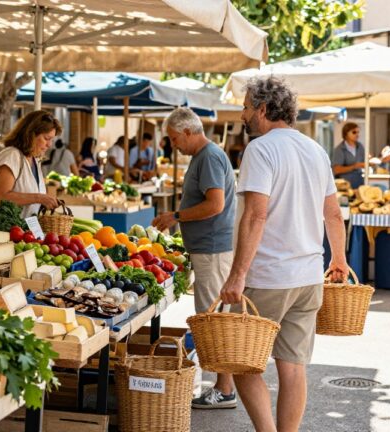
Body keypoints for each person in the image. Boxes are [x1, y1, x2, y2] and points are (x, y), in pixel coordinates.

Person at [219, 77, 349, 432]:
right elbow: (333, 214)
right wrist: (338, 259)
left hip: (268, 277)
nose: (243, 114)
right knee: (292, 367)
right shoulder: (316, 150)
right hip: (308, 277)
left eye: (246, 107)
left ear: (263, 109)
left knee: (241, 362)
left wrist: (237, 276)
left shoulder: (260, 149)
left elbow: (256, 216)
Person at [151, 107, 237, 410]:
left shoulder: (209, 157)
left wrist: (175, 216)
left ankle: (225, 389)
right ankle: (223, 385)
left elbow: (215, 205)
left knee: (213, 321)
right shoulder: (205, 156)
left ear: (188, 131)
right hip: (208, 249)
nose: (173, 145)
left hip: (212, 250)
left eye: (174, 138)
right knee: (213, 319)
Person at [0, 110, 61, 218]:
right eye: (46, 138)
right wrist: (39, 198)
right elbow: (1, 197)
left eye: (52, 140)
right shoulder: (11, 155)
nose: (49, 145)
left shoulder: (35, 160)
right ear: (31, 135)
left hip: (22, 227)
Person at [331, 122, 366, 189]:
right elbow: (336, 169)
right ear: (346, 133)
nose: (357, 134)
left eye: (358, 132)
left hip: (359, 183)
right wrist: (354, 166)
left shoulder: (360, 147)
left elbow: (363, 162)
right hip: (345, 186)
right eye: (354, 132)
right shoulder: (340, 149)